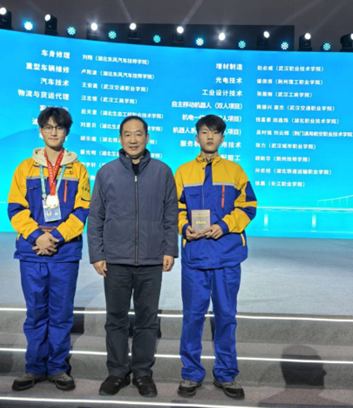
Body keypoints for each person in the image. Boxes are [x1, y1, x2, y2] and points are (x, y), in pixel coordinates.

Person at [87, 115, 178, 398]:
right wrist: (97, 254)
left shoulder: (163, 171)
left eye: (139, 134)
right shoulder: (107, 172)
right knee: (115, 318)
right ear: (120, 139)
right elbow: (96, 216)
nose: (133, 139)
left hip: (151, 259)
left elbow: (171, 214)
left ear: (147, 138)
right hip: (116, 259)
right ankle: (116, 371)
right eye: (128, 134)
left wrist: (169, 249)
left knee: (147, 320)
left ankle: (142, 372)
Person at [174, 114, 257, 400]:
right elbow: (175, 208)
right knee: (192, 318)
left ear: (222, 137)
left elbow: (248, 206)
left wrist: (224, 226)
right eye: (204, 132)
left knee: (226, 317)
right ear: (196, 137)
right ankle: (191, 373)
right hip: (195, 256)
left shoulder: (235, 171)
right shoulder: (183, 172)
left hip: (227, 255)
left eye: (215, 132)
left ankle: (226, 374)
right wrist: (184, 227)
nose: (210, 137)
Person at [8, 107, 90, 392]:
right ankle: (34, 367)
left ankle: (57, 368)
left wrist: (54, 237)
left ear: (67, 132)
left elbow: (82, 210)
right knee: (35, 312)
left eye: (59, 127)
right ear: (40, 131)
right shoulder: (25, 168)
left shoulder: (79, 170)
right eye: (49, 127)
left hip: (64, 252)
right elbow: (16, 208)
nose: (54, 132)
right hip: (32, 252)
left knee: (61, 313)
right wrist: (37, 237)